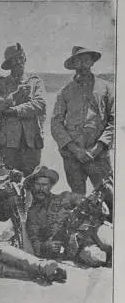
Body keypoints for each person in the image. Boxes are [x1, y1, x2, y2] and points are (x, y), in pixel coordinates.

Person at [51, 46, 114, 195]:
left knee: (109, 197)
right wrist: (75, 150)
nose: (83, 64)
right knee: (78, 200)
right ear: (73, 65)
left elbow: (114, 121)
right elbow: (56, 124)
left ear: (92, 62)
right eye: (78, 61)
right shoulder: (65, 92)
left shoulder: (107, 88)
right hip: (73, 157)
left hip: (99, 156)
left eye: (86, 60)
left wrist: (97, 148)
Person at [25, 166, 110, 267]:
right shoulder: (32, 214)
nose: (41, 189)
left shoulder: (65, 197)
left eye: (44, 185)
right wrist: (45, 247)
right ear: (32, 186)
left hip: (89, 234)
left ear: (51, 186)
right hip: (73, 250)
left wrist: (90, 201)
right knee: (95, 257)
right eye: (37, 184)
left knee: (109, 238)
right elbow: (34, 241)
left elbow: (80, 200)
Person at [0, 43, 47, 176]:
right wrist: (12, 97)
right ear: (9, 64)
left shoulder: (35, 82)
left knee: (32, 182)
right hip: (8, 144)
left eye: (21, 58)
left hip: (31, 143)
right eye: (15, 60)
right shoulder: (0, 83)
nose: (19, 62)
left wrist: (13, 111)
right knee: (9, 182)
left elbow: (40, 105)